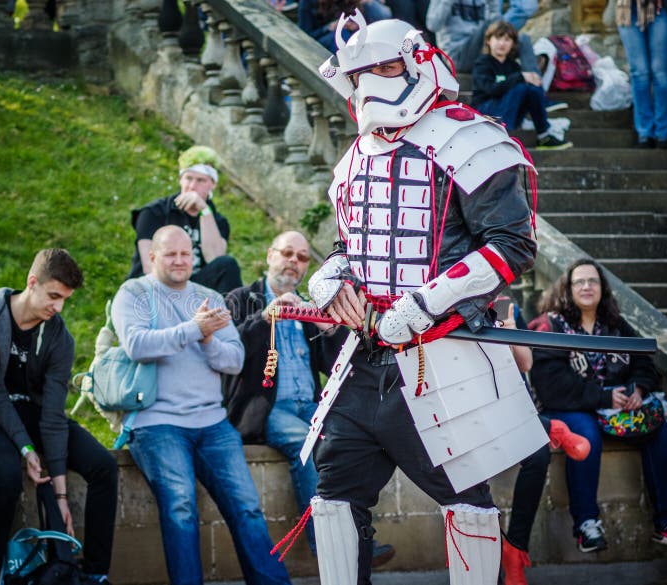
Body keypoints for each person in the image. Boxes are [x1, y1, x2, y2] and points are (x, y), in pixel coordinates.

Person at [308, 12, 547, 585]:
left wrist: (426, 302)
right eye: (362, 71)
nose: (374, 81)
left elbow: (512, 245)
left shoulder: (471, 139)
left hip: (442, 358)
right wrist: (331, 274)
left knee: (468, 504)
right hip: (365, 357)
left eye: (385, 65)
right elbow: (353, 241)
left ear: (418, 62)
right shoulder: (356, 156)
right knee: (334, 496)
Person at [112, 226, 291, 585]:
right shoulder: (134, 293)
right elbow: (136, 345)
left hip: (212, 423)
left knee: (247, 508)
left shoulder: (208, 296)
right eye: (170, 254)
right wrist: (194, 329)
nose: (180, 261)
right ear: (152, 258)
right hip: (156, 423)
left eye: (185, 254)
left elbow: (234, 360)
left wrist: (208, 339)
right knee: (181, 509)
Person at [223, 231, 395, 566]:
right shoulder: (241, 298)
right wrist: (264, 318)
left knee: (352, 445)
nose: (293, 262)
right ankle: (331, 550)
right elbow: (229, 356)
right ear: (270, 255)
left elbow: (334, 367)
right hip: (268, 408)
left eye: (302, 258)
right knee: (309, 447)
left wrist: (331, 330)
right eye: (287, 253)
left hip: (311, 404)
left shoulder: (309, 305)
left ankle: (358, 542)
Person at [0, 249, 118, 585]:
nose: (58, 307)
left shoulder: (59, 337)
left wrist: (60, 493)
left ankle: (96, 573)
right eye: (53, 296)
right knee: (7, 475)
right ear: (32, 283)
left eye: (65, 299)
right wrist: (26, 449)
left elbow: (53, 413)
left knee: (104, 466)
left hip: (35, 413)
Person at [529, 258, 667, 553]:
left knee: (658, 430)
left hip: (615, 412)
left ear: (603, 288)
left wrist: (638, 388)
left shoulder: (616, 325)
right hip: (568, 409)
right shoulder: (551, 325)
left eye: (593, 281)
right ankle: (586, 524)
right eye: (580, 281)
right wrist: (603, 398)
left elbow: (645, 364)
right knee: (586, 432)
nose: (587, 286)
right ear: (567, 288)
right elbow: (550, 385)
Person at [496, 299, 590, 585]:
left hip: (513, 408)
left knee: (537, 455)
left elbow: (525, 363)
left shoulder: (505, 306)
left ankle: (514, 552)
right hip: (471, 410)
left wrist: (509, 327)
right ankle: (553, 428)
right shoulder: (445, 307)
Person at [128, 145, 242, 294]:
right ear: (180, 180)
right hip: (156, 287)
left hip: (194, 287)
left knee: (228, 264)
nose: (193, 186)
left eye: (201, 180)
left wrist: (204, 210)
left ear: (213, 184)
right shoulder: (154, 212)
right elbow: (149, 266)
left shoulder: (218, 221)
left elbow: (215, 259)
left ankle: (234, 317)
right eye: (188, 178)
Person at [472, 21, 572, 150]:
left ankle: (544, 136)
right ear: (488, 41)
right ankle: (502, 136)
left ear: (513, 44)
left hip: (508, 111)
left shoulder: (513, 66)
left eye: (507, 39)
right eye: (498, 38)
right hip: (486, 111)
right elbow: (491, 89)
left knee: (531, 89)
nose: (502, 43)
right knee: (521, 87)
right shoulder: (482, 63)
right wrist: (521, 77)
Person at [616, 0, 667, 148]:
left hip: (661, 7)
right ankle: (644, 133)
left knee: (659, 72)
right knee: (639, 73)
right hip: (627, 7)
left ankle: (663, 134)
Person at [426, 0, 541, 74]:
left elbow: (497, 23)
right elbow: (432, 25)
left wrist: (493, 4)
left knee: (523, 40)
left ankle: (537, 88)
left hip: (481, 49)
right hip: (457, 56)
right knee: (492, 26)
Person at [298, 0, 393, 52]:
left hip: (348, 39)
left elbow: (381, 18)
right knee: (342, 35)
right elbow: (304, 36)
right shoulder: (308, 2)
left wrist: (356, 27)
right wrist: (328, 27)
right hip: (320, 41)